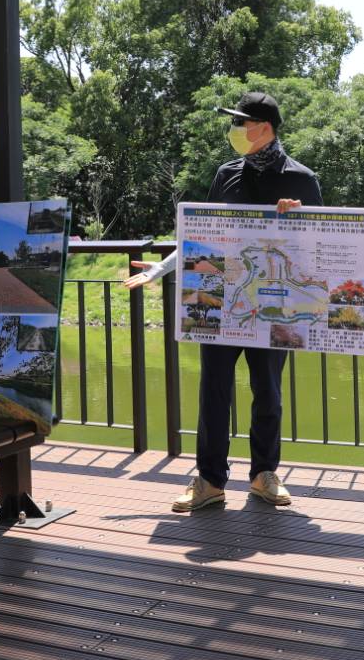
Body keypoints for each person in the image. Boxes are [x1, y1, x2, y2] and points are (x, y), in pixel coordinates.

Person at [126, 91, 322, 512]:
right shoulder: (226, 174)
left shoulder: (302, 180)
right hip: (220, 299)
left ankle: (264, 474)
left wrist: (299, 219)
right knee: (213, 390)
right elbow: (204, 235)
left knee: (267, 390)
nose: (234, 130)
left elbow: (319, 249)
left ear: (264, 127)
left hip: (273, 304)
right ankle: (210, 480)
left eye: (240, 122)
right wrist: (162, 269)